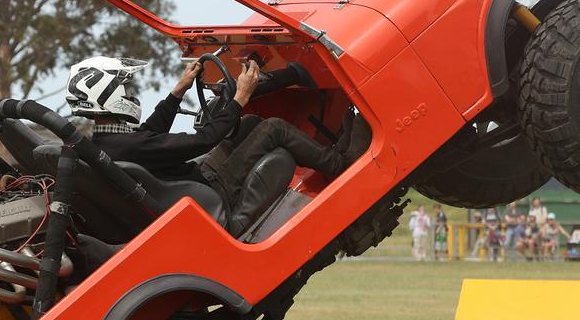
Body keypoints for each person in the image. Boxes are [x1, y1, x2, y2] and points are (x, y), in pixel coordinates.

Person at [69, 56, 363, 236]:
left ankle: (332, 153)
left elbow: (148, 134)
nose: (132, 94)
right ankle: (340, 165)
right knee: (273, 128)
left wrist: (177, 92)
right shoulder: (129, 147)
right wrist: (240, 98)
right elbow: (203, 140)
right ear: (108, 97)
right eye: (126, 89)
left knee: (248, 125)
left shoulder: (107, 144)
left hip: (192, 186)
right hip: (208, 195)